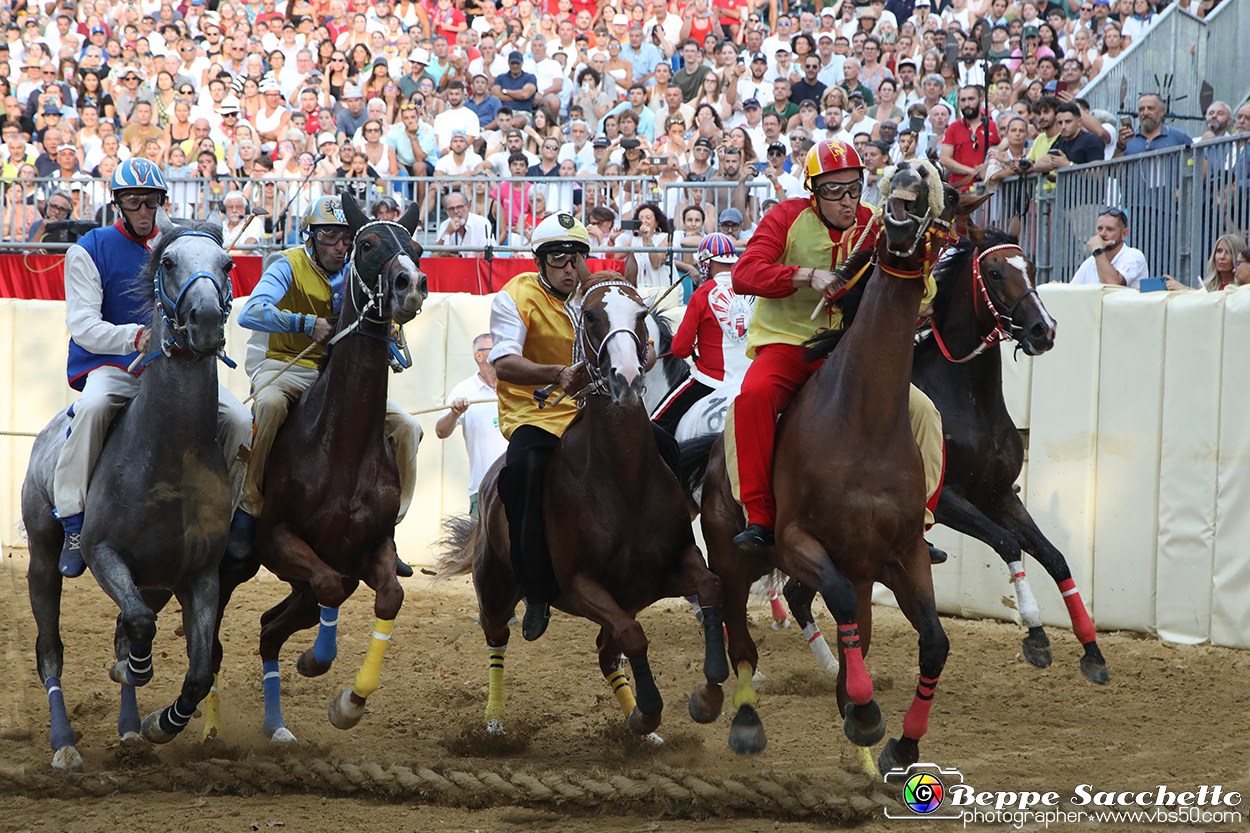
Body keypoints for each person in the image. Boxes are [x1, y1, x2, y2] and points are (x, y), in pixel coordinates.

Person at [724, 139, 946, 562]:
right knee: (752, 397)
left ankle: (920, 523)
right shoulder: (784, 216)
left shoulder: (875, 224)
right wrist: (807, 276)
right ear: (813, 191)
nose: (847, 201)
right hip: (790, 347)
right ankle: (759, 516)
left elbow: (917, 291)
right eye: (833, 191)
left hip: (851, 357)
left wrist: (925, 273)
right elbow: (744, 273)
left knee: (924, 413)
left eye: (854, 188)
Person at [52, 158, 253, 578]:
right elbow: (83, 325)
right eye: (134, 202)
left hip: (176, 375)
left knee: (239, 419)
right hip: (118, 367)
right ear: (118, 205)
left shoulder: (179, 248)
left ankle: (232, 517)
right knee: (91, 408)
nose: (144, 211)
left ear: (163, 204)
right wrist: (134, 337)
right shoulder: (88, 249)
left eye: (151, 202)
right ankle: (73, 520)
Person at [488, 212, 681, 640]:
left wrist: (640, 358)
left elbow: (642, 348)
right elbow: (502, 363)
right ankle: (535, 588)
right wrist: (555, 373)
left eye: (576, 257)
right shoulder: (514, 295)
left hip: (596, 414)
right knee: (521, 473)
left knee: (667, 451)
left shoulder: (599, 292)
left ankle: (672, 556)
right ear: (539, 262)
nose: (570, 268)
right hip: (537, 414)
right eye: (559, 259)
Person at [233, 195, 424, 575]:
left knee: (408, 427)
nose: (340, 246)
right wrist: (305, 324)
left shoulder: (359, 272)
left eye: (345, 239)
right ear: (311, 238)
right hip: (284, 366)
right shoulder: (285, 264)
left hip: (335, 373)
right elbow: (251, 312)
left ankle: (390, 525)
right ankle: (249, 504)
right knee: (269, 405)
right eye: (330, 237)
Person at [653, 233, 754, 435]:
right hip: (750, 377)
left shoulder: (703, 292)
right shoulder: (751, 288)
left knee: (656, 424)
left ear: (707, 262)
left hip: (711, 379)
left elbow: (680, 349)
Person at [435, 333, 509, 516]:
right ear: (479, 356)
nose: (501, 353)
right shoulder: (464, 389)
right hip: (483, 488)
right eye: (494, 349)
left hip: (517, 482)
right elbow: (441, 431)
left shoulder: (514, 386)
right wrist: (454, 413)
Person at [1070, 207, 1149, 289]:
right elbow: (1073, 292)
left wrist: (1098, 250)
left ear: (1124, 234)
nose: (1102, 234)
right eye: (1100, 229)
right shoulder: (1091, 262)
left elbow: (1112, 285)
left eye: (1109, 229)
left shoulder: (1134, 255)